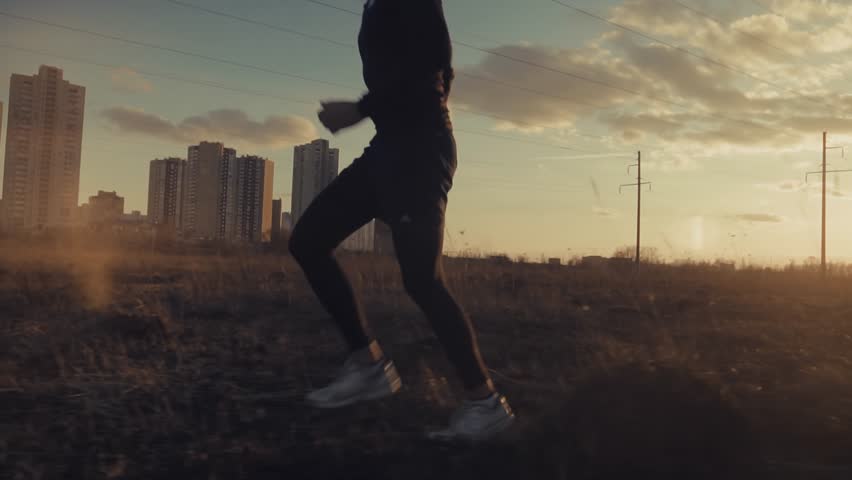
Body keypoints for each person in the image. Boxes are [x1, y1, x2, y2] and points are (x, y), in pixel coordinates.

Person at [289, 0, 514, 442]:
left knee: (422, 280)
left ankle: (485, 402)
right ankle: (369, 365)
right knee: (309, 241)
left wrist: (360, 109)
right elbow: (439, 74)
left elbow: (431, 73)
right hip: (390, 146)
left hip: (419, 150)